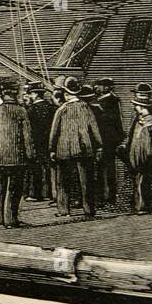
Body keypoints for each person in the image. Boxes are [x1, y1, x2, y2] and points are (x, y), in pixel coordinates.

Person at [49, 82, 103, 219]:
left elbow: (54, 132)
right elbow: (94, 129)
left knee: (63, 181)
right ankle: (89, 210)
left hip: (64, 149)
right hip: (84, 149)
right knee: (86, 181)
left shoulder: (61, 110)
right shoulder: (86, 108)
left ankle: (63, 210)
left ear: (67, 95)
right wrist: (99, 146)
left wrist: (52, 149)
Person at [0, 78, 34, 228]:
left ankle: (1, 218)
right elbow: (27, 136)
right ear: (15, 93)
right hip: (16, 156)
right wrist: (31, 155)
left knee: (1, 188)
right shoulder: (21, 111)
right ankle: (11, 220)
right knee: (14, 189)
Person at [117, 85, 152, 215]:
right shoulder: (139, 119)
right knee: (139, 180)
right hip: (137, 155)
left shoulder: (151, 123)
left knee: (143, 181)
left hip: (145, 157)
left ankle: (142, 206)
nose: (134, 107)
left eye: (136, 105)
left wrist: (146, 155)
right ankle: (140, 204)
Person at [92, 78, 125, 206]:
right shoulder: (108, 100)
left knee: (104, 169)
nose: (96, 88)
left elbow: (114, 120)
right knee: (105, 168)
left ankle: (105, 196)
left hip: (107, 139)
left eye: (99, 86)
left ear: (106, 88)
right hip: (109, 139)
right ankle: (108, 196)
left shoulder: (110, 100)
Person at [24, 82, 56, 202]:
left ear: (36, 94)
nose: (29, 96)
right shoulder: (51, 108)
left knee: (35, 168)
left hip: (35, 142)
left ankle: (35, 194)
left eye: (31, 94)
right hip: (48, 142)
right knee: (47, 167)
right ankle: (48, 194)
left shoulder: (30, 110)